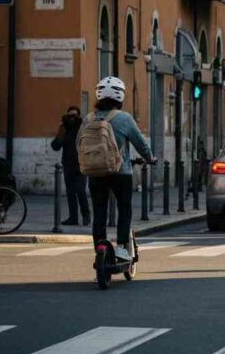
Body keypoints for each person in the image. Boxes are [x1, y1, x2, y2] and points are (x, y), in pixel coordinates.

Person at [83, 77, 155, 262]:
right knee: (124, 209)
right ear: (121, 96)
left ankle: (99, 246)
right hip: (120, 172)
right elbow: (140, 143)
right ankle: (122, 247)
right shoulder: (124, 118)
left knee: (99, 211)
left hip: (95, 172)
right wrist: (150, 158)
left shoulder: (88, 118)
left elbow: (79, 144)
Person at [51, 106, 91, 226]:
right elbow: (55, 146)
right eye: (69, 116)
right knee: (70, 193)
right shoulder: (65, 130)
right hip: (68, 165)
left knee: (80, 191)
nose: (72, 118)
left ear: (78, 116)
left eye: (74, 115)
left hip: (81, 165)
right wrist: (60, 131)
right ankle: (73, 218)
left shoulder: (83, 129)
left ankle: (86, 216)